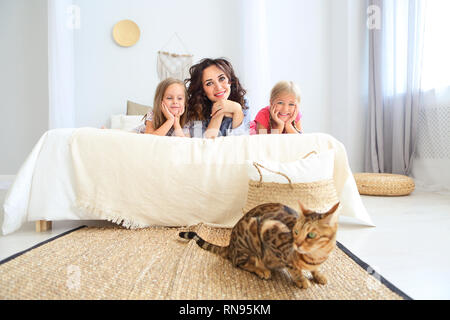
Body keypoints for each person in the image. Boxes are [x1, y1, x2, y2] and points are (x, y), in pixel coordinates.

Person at [184, 58, 250, 138]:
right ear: (202, 90)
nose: (218, 87)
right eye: (209, 83)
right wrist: (219, 112)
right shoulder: (195, 109)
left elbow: (239, 144)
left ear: (230, 80)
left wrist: (237, 109)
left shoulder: (243, 102)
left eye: (222, 79)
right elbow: (204, 146)